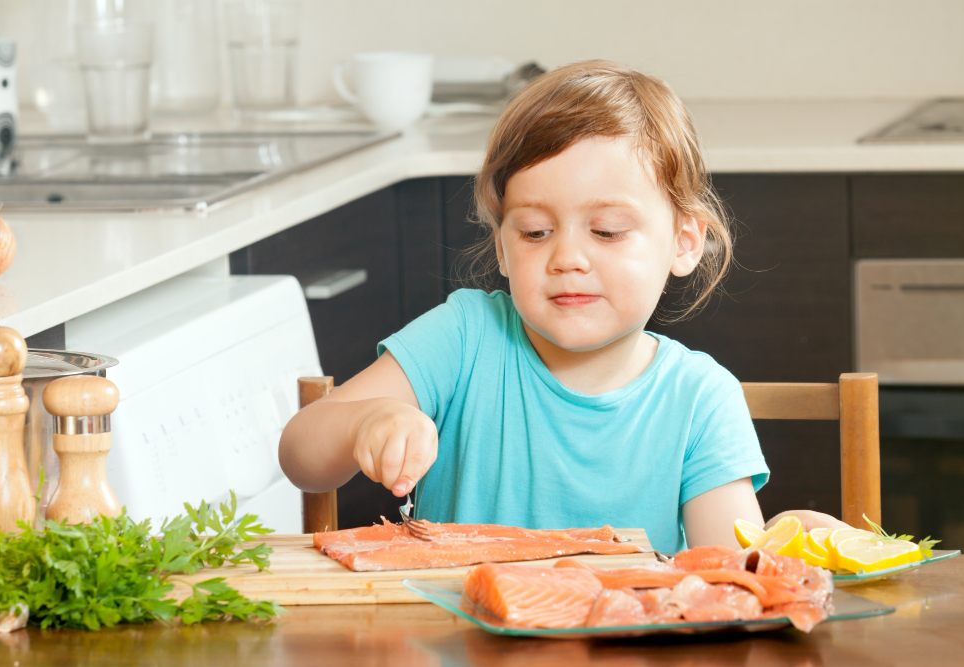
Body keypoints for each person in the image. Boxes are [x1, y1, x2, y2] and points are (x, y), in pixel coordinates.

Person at [279, 61, 847, 552]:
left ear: (684, 242)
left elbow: (729, 571)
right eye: (534, 232)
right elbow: (300, 454)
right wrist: (366, 421)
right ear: (501, 245)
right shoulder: (464, 337)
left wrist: (781, 544)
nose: (567, 258)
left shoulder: (699, 397)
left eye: (606, 230)